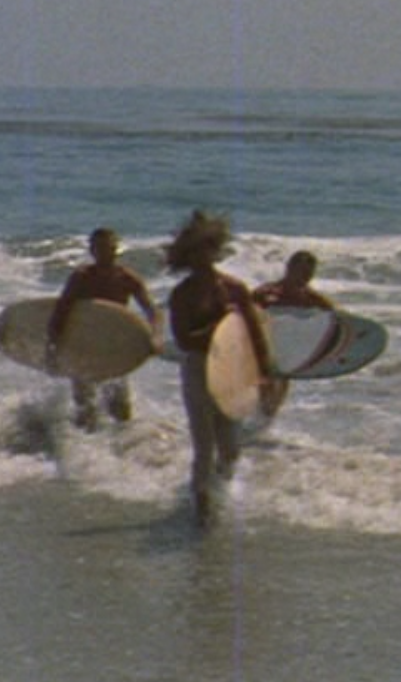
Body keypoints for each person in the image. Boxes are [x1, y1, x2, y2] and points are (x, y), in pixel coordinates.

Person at [166, 211, 278, 528]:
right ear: (187, 256)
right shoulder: (182, 294)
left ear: (215, 250)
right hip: (198, 367)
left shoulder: (234, 288)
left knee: (230, 448)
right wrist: (219, 324)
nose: (203, 256)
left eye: (208, 249)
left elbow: (254, 333)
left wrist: (265, 373)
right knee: (204, 445)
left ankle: (215, 491)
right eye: (196, 251)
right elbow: (184, 340)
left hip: (233, 367)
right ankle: (201, 507)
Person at [45, 227, 161, 431]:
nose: (105, 252)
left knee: (120, 409)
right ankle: (82, 446)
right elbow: (61, 312)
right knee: (85, 407)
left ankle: (122, 446)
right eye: (100, 248)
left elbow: (152, 311)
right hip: (83, 347)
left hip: (114, 348)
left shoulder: (127, 278)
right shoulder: (81, 277)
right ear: (92, 250)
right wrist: (52, 347)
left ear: (116, 249)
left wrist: (155, 336)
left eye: (109, 248)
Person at [252, 250, 337, 417]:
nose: (306, 278)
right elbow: (245, 316)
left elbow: (336, 319)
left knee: (279, 384)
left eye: (309, 274)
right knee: (262, 382)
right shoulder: (266, 292)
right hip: (263, 346)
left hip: (288, 351)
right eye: (302, 272)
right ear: (289, 268)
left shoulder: (313, 299)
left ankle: (266, 416)